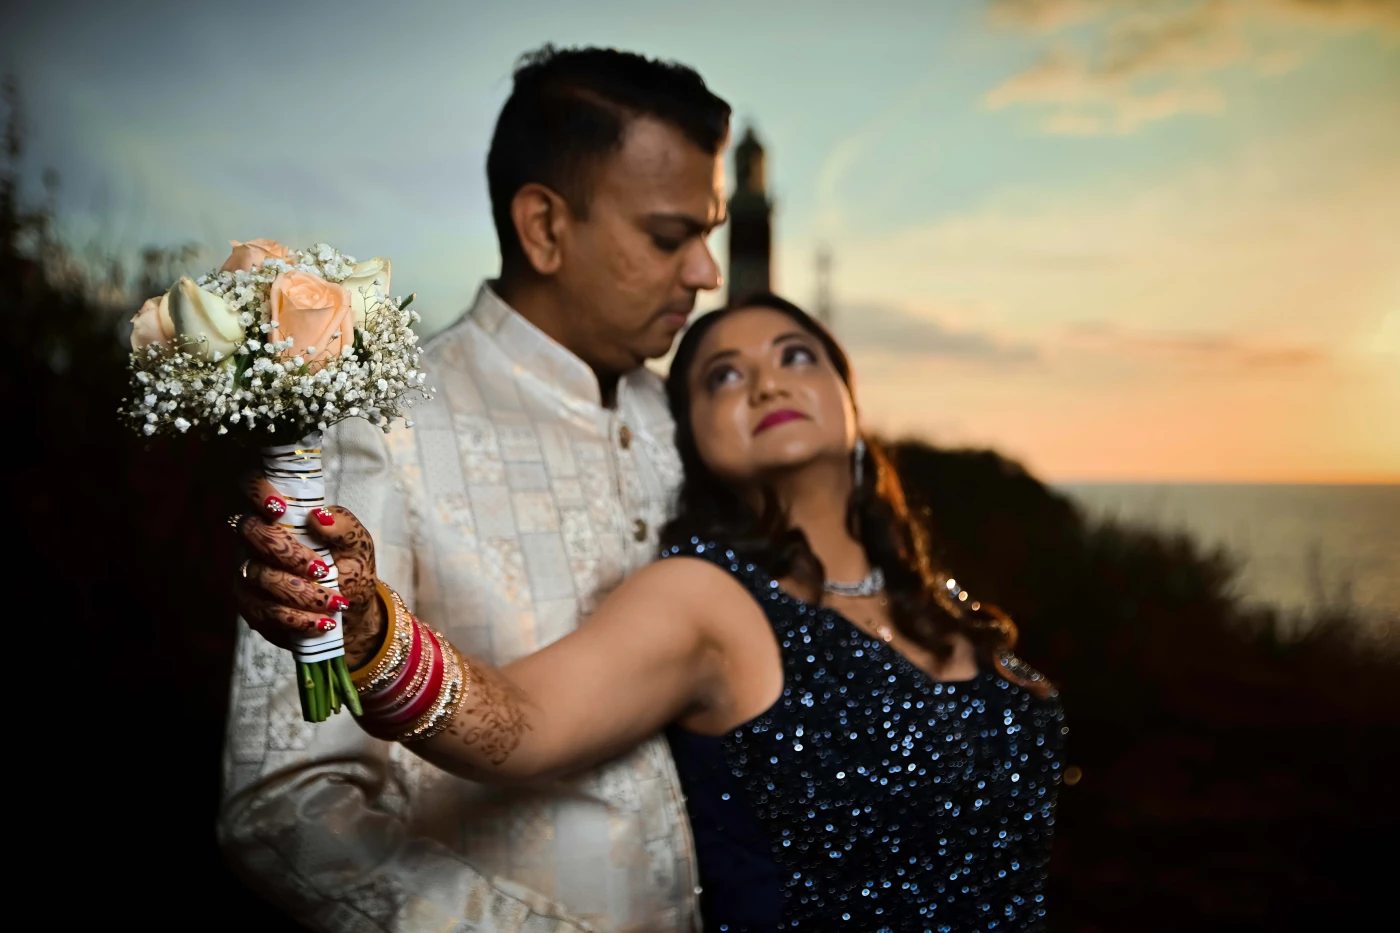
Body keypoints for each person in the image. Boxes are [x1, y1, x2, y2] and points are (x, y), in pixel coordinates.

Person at [236, 292, 1067, 932]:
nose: (767, 380)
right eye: (723, 375)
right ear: (690, 441)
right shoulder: (707, 599)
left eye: (796, 355)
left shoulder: (944, 605)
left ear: (850, 402)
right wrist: (374, 632)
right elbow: (518, 721)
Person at [221, 45, 729, 932]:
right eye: (668, 236)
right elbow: (287, 805)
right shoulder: (374, 428)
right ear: (544, 227)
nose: (705, 273)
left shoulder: (685, 419)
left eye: (709, 234)